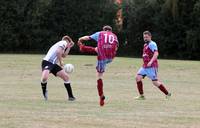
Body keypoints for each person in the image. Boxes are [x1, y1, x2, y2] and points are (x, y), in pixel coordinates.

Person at [77, 25, 118, 106]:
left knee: (99, 76)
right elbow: (116, 47)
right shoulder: (114, 36)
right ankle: (83, 48)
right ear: (111, 31)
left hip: (102, 57)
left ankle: (101, 96)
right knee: (97, 48)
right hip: (111, 57)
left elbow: (88, 38)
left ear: (104, 30)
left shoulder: (100, 33)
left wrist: (80, 39)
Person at [135, 31, 171, 100]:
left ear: (150, 37)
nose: (145, 38)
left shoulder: (152, 44)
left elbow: (156, 53)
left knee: (155, 82)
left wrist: (151, 61)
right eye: (144, 37)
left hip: (152, 66)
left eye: (146, 37)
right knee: (137, 78)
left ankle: (167, 94)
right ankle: (142, 96)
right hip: (145, 66)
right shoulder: (145, 45)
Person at [40, 35, 76, 101]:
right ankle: (44, 91)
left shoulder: (62, 45)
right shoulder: (63, 42)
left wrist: (69, 47)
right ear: (68, 41)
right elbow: (58, 52)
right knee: (44, 78)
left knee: (66, 77)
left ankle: (71, 97)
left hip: (53, 64)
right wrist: (61, 61)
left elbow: (64, 55)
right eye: (69, 44)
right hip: (47, 62)